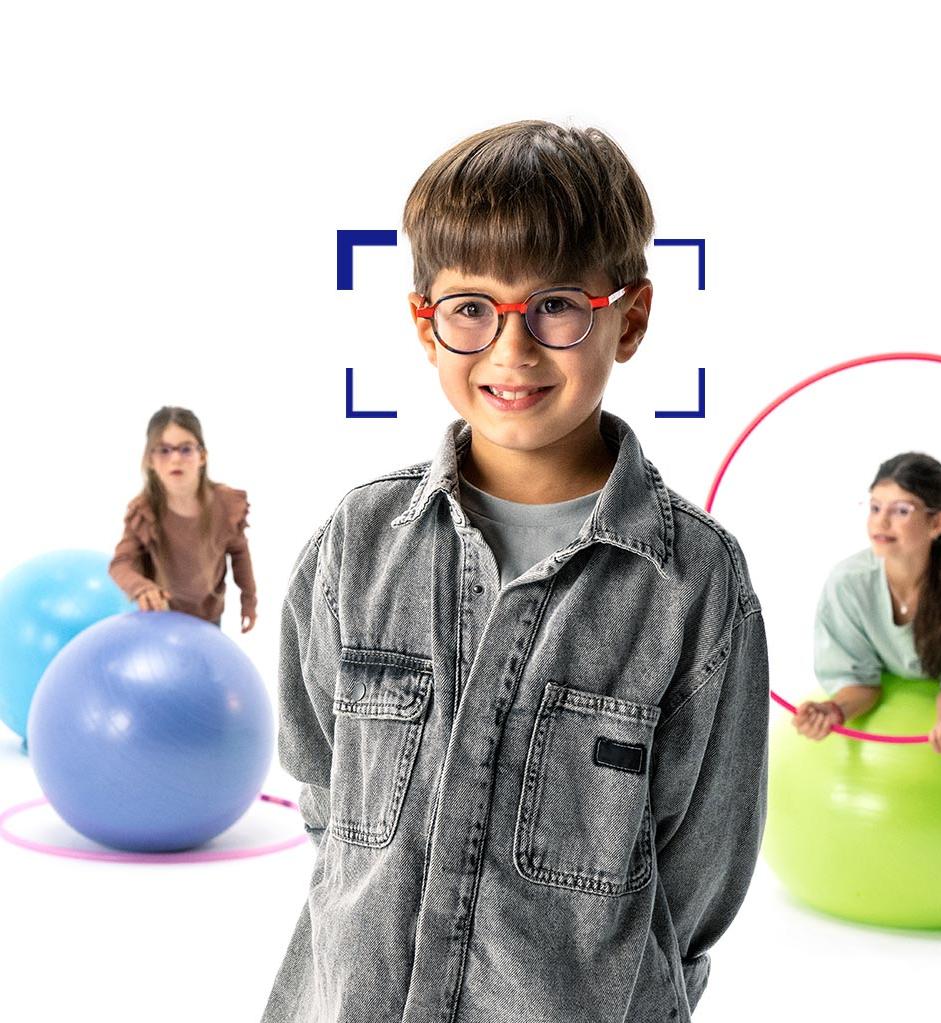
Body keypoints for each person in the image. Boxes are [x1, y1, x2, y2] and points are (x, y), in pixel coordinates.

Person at [261, 120, 769, 1023]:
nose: (512, 349)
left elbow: (700, 872)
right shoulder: (360, 540)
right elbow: (322, 784)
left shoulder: (691, 582)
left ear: (631, 317)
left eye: (557, 305)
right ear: (425, 324)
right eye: (470, 308)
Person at [794, 452, 941, 754]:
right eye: (875, 507)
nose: (881, 522)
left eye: (901, 510)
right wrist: (834, 710)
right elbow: (858, 681)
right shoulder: (848, 582)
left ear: (938, 522)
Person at [108, 405, 257, 631]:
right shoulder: (145, 511)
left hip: (208, 615)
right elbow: (120, 563)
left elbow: (239, 553)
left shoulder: (225, 505)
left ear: (202, 456)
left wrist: (249, 600)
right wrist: (142, 588)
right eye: (164, 450)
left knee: (203, 665)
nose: (175, 459)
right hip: (161, 616)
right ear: (150, 459)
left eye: (185, 449)